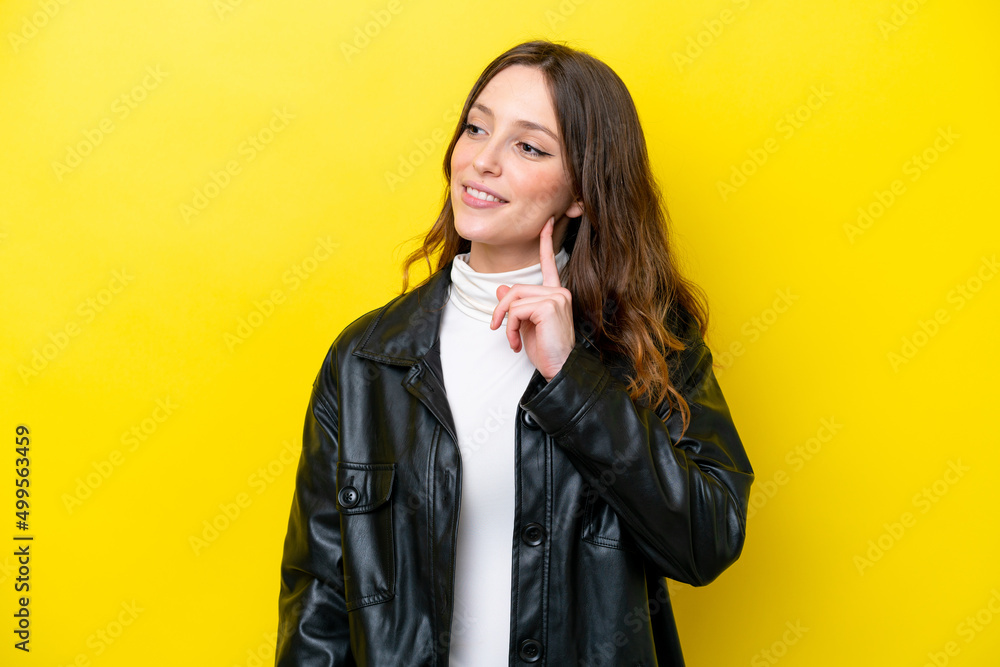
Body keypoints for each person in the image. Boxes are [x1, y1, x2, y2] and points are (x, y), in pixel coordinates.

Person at [274, 39, 754, 666]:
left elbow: (707, 541)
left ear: (580, 192)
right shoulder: (369, 360)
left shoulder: (649, 342)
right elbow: (318, 600)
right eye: (476, 129)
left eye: (529, 146)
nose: (482, 162)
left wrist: (573, 381)